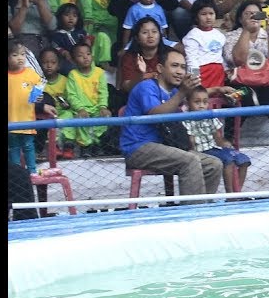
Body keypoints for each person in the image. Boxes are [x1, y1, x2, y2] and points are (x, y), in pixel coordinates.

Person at [121, 47, 224, 198]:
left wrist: (217, 91)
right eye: (174, 66)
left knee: (214, 164)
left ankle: (203, 211)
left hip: (165, 147)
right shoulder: (146, 87)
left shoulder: (175, 93)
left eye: (183, 67)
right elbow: (155, 115)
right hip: (138, 147)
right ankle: (191, 212)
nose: (180, 71)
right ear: (160, 68)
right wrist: (183, 93)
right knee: (190, 161)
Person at [223, 1, 269, 147]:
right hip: (240, 83)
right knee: (239, 96)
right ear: (241, 19)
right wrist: (246, 31)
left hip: (267, 82)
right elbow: (236, 60)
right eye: (248, 14)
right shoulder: (231, 36)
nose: (253, 17)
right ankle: (229, 138)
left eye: (256, 14)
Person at [184, 85, 251, 192]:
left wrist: (226, 144)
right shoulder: (186, 119)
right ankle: (230, 195)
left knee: (244, 160)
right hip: (201, 151)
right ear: (188, 103)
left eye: (205, 102)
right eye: (197, 102)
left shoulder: (210, 116)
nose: (202, 106)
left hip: (214, 148)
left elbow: (218, 138)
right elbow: (191, 143)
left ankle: (237, 193)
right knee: (228, 160)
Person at [9, 39, 54, 173]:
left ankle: (32, 172)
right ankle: (17, 175)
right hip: (10, 120)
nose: (20, 58)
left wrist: (39, 97)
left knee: (29, 146)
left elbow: (40, 86)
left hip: (27, 119)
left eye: (23, 54)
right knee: (14, 148)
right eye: (15, 55)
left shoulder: (30, 73)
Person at [62, 41, 110, 155]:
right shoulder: (73, 75)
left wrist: (103, 106)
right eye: (80, 55)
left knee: (103, 119)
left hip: (97, 107)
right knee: (81, 119)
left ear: (92, 56)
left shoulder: (99, 73)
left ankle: (98, 145)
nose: (85, 57)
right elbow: (71, 95)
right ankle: (86, 147)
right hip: (81, 109)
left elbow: (103, 92)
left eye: (88, 54)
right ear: (73, 60)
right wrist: (80, 109)